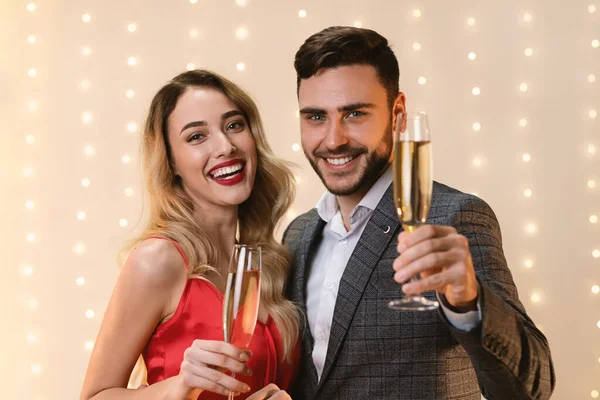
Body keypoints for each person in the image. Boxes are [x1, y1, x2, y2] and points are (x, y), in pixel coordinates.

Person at [283, 26, 555, 399]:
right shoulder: (297, 234)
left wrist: (469, 300)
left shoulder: (455, 217)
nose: (333, 139)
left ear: (397, 114)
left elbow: (532, 386)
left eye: (355, 114)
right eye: (315, 117)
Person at [80, 70, 300, 400]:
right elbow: (94, 397)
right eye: (197, 137)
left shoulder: (266, 264)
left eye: (234, 125)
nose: (226, 146)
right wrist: (181, 386)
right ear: (172, 164)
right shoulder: (158, 260)